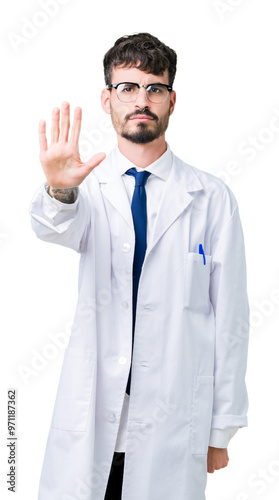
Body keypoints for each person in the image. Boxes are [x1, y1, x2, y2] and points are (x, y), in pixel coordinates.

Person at [30, 33, 249, 500]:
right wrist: (60, 188)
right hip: (91, 415)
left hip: (174, 420)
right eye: (128, 88)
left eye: (154, 87)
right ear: (108, 99)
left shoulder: (210, 199)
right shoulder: (87, 190)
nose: (142, 100)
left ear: (172, 100)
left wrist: (221, 426)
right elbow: (54, 227)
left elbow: (231, 318)